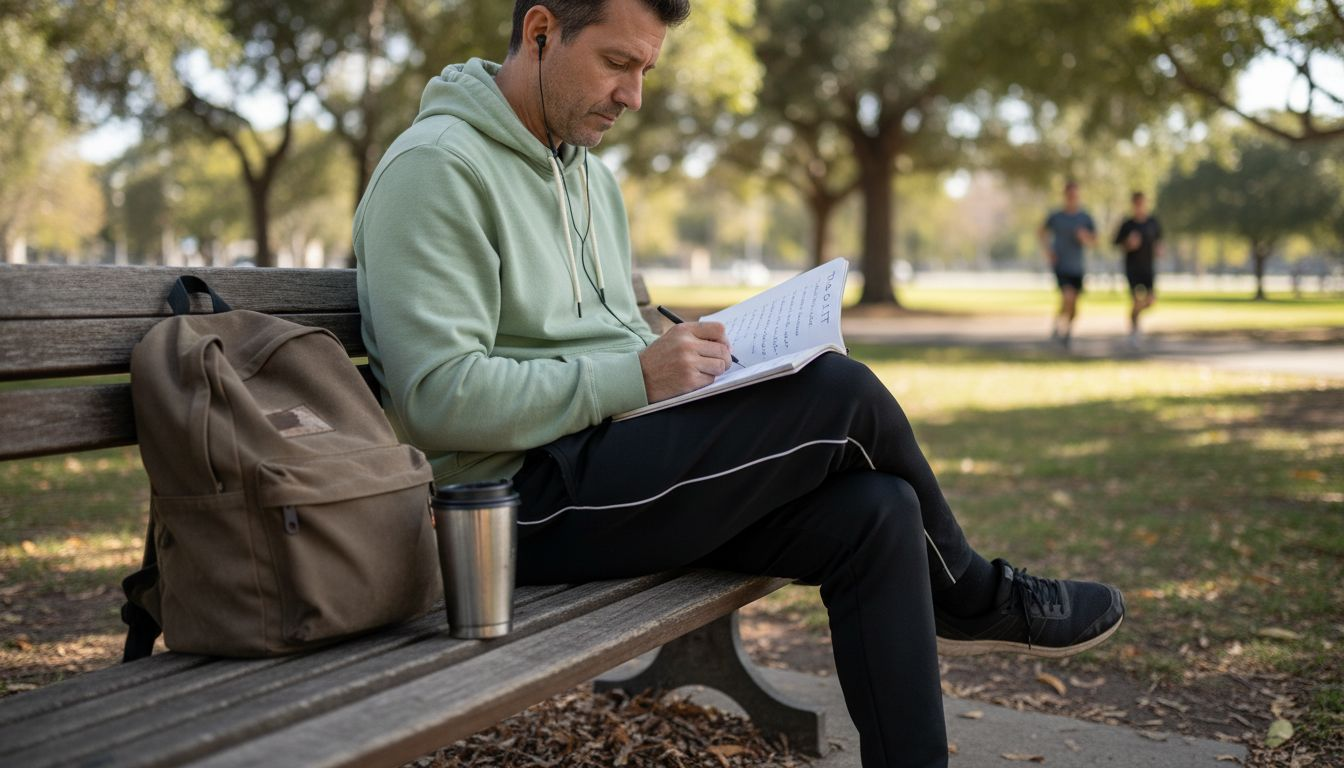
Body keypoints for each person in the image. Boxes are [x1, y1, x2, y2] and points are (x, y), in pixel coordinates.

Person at [353, 1, 1124, 764]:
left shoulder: (587, 177)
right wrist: (635, 375)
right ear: (541, 32)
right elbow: (435, 399)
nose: (634, 96)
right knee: (842, 395)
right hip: (506, 507)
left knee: (878, 511)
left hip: (612, 462)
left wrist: (698, 361)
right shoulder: (437, 169)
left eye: (646, 70)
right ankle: (976, 595)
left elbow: (610, 339)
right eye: (618, 64)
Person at [1038, 181, 1096, 349]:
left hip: (1077, 266)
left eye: (1075, 195)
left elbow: (1095, 240)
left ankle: (1065, 330)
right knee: (1067, 297)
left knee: (1074, 305)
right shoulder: (1056, 216)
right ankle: (1060, 329)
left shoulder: (1085, 217)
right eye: (1069, 195)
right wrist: (1048, 251)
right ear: (1065, 196)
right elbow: (1041, 232)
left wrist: (1085, 238)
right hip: (1061, 265)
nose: (1072, 198)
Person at [1113, 191, 1164, 348]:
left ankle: (1134, 316)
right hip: (1132, 268)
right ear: (1133, 205)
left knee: (1150, 301)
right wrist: (1129, 243)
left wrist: (1159, 250)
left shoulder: (1153, 223)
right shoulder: (1127, 225)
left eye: (1142, 203)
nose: (1139, 206)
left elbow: (1160, 242)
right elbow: (1116, 244)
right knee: (1136, 299)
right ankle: (1134, 330)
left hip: (1148, 268)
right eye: (1137, 203)